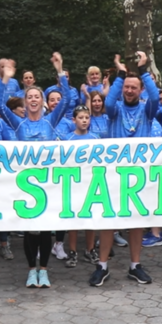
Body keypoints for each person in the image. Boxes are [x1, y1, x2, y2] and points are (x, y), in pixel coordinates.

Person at [0, 52, 68, 288]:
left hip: (47, 184)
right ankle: (30, 270)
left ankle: (43, 271)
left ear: (42, 101)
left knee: (45, 231)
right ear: (25, 102)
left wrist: (59, 69)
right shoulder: (19, 123)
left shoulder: (50, 122)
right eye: (30, 97)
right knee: (29, 232)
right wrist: (6, 78)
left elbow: (66, 101)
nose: (33, 99)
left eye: (37, 96)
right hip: (24, 185)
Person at [89, 52, 159, 287]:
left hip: (138, 176)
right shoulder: (115, 110)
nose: (129, 91)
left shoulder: (147, 112)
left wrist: (143, 71)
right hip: (113, 175)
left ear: (140, 91)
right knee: (109, 221)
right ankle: (102, 265)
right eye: (126, 87)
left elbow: (157, 98)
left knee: (137, 221)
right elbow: (108, 102)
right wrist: (120, 74)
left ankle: (135, 265)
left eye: (133, 88)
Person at [63, 105, 100, 268]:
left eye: (87, 117)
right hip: (73, 185)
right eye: (81, 118)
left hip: (91, 184)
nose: (84, 120)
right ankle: (72, 251)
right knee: (74, 220)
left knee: (90, 219)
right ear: (74, 120)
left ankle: (90, 249)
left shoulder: (95, 138)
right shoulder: (67, 139)